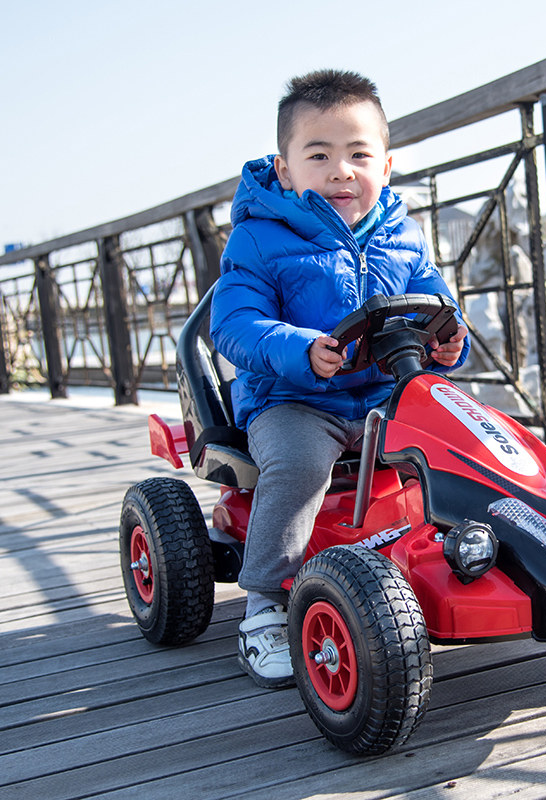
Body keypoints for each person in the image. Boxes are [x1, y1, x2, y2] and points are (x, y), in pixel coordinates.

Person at [210, 69, 469, 688]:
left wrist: (448, 339)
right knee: (299, 464)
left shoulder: (401, 234)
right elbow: (235, 323)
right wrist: (300, 349)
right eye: (319, 155)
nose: (341, 172)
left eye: (359, 155)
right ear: (286, 168)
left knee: (467, 436)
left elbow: (436, 302)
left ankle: (477, 548)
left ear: (386, 165)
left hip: (386, 395)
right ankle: (265, 603)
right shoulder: (258, 238)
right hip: (295, 399)